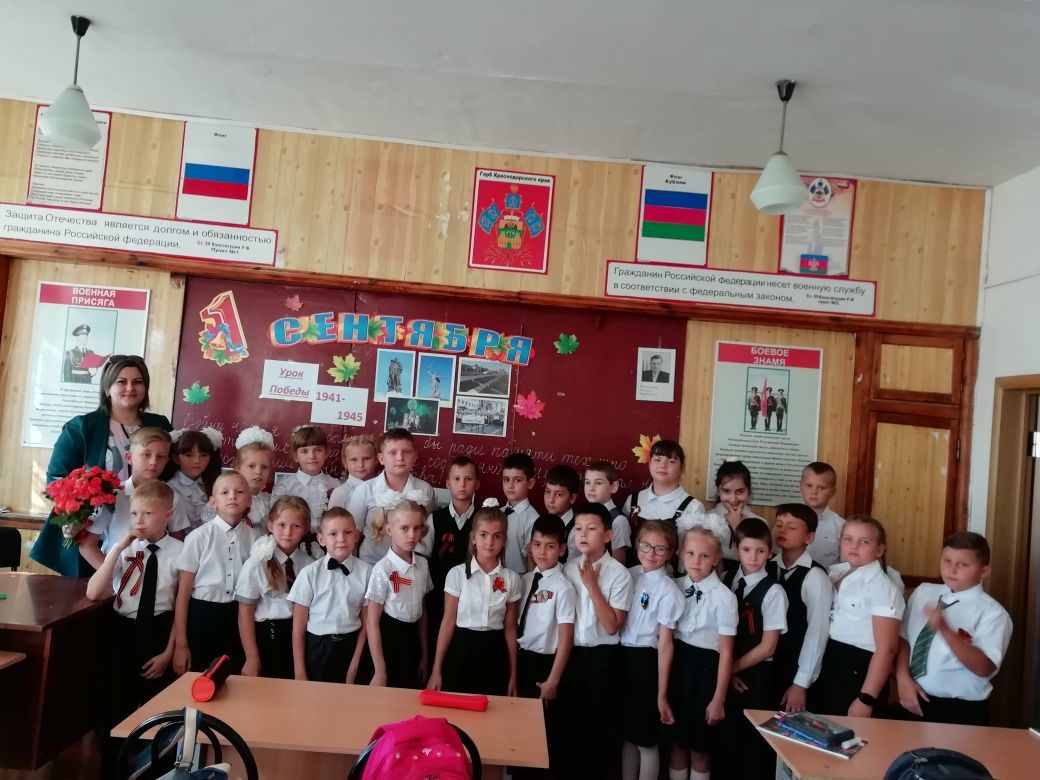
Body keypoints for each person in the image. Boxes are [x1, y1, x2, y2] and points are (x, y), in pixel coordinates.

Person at [31, 355, 172, 576]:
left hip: (144, 525)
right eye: (121, 381)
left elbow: (171, 470)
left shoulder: (159, 424)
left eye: (137, 382)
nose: (130, 388)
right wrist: (72, 516)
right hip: (91, 532)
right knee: (90, 592)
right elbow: (57, 480)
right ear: (107, 388)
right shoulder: (81, 427)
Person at [85, 481, 183, 721]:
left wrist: (168, 652)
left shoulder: (181, 551)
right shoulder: (124, 549)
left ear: (168, 515)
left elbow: (182, 606)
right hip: (122, 630)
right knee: (117, 704)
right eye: (134, 513)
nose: (139, 520)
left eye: (148, 513)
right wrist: (119, 547)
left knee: (157, 707)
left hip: (159, 630)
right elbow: (93, 592)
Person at [895, 532, 1012, 726]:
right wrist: (902, 678)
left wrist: (945, 630)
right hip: (913, 696)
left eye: (963, 564)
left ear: (984, 571)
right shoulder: (924, 592)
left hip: (959, 709)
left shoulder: (993, 614)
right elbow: (903, 638)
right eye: (947, 561)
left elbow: (984, 668)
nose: (952, 569)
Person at [559, 503, 633, 779]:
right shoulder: (567, 568)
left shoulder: (619, 574)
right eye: (578, 528)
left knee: (597, 733)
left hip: (602, 659)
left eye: (591, 529)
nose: (583, 534)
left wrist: (591, 584)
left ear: (608, 535)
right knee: (569, 728)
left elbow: (612, 625)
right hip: (571, 655)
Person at [811, 515, 905, 718]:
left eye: (864, 542)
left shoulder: (882, 588)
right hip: (830, 661)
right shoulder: (835, 574)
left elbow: (887, 649)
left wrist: (866, 698)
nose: (854, 546)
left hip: (859, 669)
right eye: (848, 539)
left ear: (879, 550)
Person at [719, 518, 788, 780]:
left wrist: (731, 669)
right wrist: (728, 672)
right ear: (735, 549)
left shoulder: (774, 591)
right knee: (725, 738)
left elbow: (768, 646)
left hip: (756, 675)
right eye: (747, 549)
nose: (753, 557)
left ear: (770, 553)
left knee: (751, 744)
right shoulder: (725, 579)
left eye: (760, 551)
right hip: (727, 670)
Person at [428, 505, 522, 696]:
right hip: (461, 649)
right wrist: (436, 669)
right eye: (483, 535)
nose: (489, 542)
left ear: (504, 540)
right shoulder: (457, 574)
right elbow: (448, 622)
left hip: (494, 652)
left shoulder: (512, 579)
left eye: (497, 536)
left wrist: (513, 674)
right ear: (473, 537)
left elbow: (510, 628)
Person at [666, 527, 736, 780]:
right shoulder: (674, 587)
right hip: (677, 667)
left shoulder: (724, 598)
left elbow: (726, 653)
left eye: (704, 556)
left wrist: (718, 699)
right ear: (681, 554)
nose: (696, 561)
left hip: (706, 674)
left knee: (700, 748)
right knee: (677, 743)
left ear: (716, 559)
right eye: (691, 553)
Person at [173, 472, 258, 675]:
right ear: (213, 502)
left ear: (249, 501)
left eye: (239, 492)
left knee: (236, 679)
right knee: (200, 678)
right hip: (203, 616)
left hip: (240, 618)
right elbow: (183, 594)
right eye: (225, 492)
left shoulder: (255, 538)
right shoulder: (198, 537)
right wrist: (181, 644)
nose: (232, 496)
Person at [619, 521, 683, 780]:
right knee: (628, 735)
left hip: (646, 662)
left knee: (646, 739)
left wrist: (662, 694)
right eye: (645, 546)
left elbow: (666, 644)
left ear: (670, 553)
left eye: (659, 549)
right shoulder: (629, 574)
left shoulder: (669, 590)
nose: (651, 553)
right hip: (622, 656)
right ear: (637, 546)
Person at [513, 514, 576, 779]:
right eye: (537, 545)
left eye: (550, 546)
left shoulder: (563, 588)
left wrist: (553, 681)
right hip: (522, 661)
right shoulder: (525, 580)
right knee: (519, 731)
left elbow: (566, 639)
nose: (542, 552)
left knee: (542, 735)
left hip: (545, 665)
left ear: (561, 549)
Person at [81, 427, 191, 568]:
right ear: (129, 457)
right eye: (146, 455)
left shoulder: (172, 496)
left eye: (160, 457)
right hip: (117, 571)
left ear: (166, 461)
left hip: (156, 574)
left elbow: (178, 540)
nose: (153, 462)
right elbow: (87, 545)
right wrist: (110, 576)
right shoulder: (112, 495)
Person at [289, 507, 372, 683]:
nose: (341, 539)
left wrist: (355, 663)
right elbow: (298, 627)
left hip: (353, 645)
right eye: (333, 534)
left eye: (347, 532)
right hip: (317, 648)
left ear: (356, 536)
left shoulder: (367, 573)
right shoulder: (309, 574)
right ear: (321, 539)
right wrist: (299, 671)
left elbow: (367, 624)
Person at [236, 496, 314, 680]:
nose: (288, 532)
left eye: (296, 526)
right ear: (270, 525)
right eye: (281, 525)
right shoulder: (257, 563)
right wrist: (252, 657)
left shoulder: (309, 563)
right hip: (269, 638)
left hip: (301, 636)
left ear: (306, 529)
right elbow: (244, 613)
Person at [768, 503, 833, 712]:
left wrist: (801, 683)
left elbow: (817, 632)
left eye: (792, 527)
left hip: (795, 670)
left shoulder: (815, 576)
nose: (782, 530)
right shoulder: (766, 566)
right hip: (767, 668)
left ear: (809, 537)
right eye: (779, 524)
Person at [365, 498, 433, 689]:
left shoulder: (423, 565)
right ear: (389, 529)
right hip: (389, 641)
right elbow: (372, 622)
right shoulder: (383, 569)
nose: (411, 535)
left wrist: (425, 656)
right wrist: (380, 670)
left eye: (417, 528)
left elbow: (422, 612)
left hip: (413, 641)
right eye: (404, 528)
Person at [348, 428, 436, 564]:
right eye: (392, 452)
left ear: (415, 456)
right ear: (381, 458)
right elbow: (353, 535)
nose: (400, 458)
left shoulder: (425, 490)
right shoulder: (364, 491)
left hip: (410, 565)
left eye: (406, 452)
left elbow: (425, 531)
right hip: (371, 564)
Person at [622, 440, 706, 567]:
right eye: (657, 459)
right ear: (649, 463)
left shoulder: (693, 507)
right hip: (631, 574)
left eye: (671, 461)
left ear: (682, 468)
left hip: (671, 576)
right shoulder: (633, 500)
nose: (663, 465)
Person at [426, 457, 480, 652]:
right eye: (456, 479)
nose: (462, 484)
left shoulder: (483, 520)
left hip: (472, 597)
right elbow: (424, 559)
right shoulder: (434, 519)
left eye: (468, 479)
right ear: (448, 484)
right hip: (438, 596)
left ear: (477, 484)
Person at [201, 426, 276, 527]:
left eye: (264, 467)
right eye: (251, 466)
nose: (258, 471)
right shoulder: (224, 499)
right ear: (238, 469)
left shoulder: (271, 502)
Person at [272, 425, 341, 533]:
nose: (312, 456)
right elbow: (276, 519)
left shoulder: (335, 484)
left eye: (318, 450)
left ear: (326, 453)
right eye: (304, 451)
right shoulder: (285, 486)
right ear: (296, 456)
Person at [709, 460, 766, 573]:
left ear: (748, 491)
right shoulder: (705, 520)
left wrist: (738, 528)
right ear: (719, 491)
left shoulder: (760, 523)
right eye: (726, 491)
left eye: (740, 492)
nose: (733, 499)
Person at [167, 428, 223, 530]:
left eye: (203, 455)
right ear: (176, 459)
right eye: (189, 455)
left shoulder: (214, 483)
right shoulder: (170, 489)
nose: (197, 460)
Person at [584, 460, 633, 564]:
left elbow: (618, 563)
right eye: (587, 482)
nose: (591, 488)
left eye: (598, 483)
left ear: (613, 487)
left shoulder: (618, 521)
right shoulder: (583, 514)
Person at [800, 462, 844, 567]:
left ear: (833, 492)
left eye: (821, 487)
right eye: (809, 485)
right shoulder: (784, 521)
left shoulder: (841, 527)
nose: (814, 492)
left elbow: (845, 566)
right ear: (800, 486)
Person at [501, 452, 539, 573]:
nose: (510, 486)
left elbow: (532, 559)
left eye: (517, 480)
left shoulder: (533, 520)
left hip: (519, 578)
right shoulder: (498, 512)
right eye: (506, 479)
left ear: (530, 483)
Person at [328, 434, 379, 510]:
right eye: (354, 460)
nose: (360, 465)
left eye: (366, 458)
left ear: (376, 459)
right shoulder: (341, 493)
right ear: (345, 462)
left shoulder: (382, 488)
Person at [543, 465, 581, 562]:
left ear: (572, 498)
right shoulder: (541, 520)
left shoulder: (575, 531)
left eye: (558, 494)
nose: (551, 500)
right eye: (548, 492)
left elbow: (573, 567)